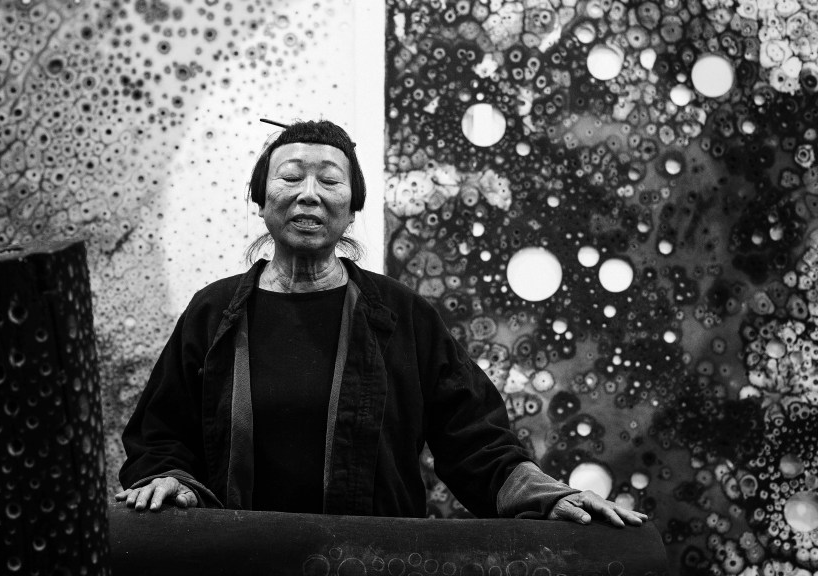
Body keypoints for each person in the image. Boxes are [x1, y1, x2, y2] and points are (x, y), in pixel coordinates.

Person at [115, 119, 646, 527]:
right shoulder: (213, 313)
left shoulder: (401, 315)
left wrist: (547, 496)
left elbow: (474, 440)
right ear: (261, 200)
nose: (309, 193)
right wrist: (167, 478)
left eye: (329, 180)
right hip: (240, 561)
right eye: (291, 177)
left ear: (352, 208)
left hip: (372, 560)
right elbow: (162, 432)